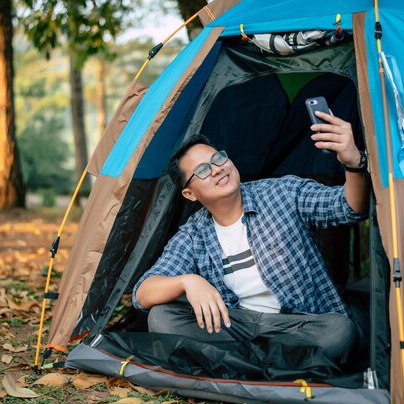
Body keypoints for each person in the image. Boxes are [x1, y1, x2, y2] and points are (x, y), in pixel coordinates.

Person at [132, 111, 370, 364]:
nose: (216, 169)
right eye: (202, 170)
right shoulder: (194, 234)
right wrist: (188, 282)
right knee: (162, 317)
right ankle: (275, 365)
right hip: (236, 326)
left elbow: (350, 207)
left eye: (217, 158)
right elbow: (142, 294)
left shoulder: (282, 193)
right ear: (190, 194)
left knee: (339, 332)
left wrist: (353, 162)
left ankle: (239, 365)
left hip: (297, 327)